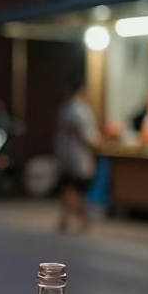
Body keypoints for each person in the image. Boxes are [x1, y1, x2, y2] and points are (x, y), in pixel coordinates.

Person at [55, 78, 100, 234]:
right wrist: (94, 146)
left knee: (70, 187)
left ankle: (66, 219)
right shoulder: (79, 109)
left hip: (68, 152)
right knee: (74, 188)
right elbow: (80, 133)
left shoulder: (67, 108)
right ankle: (81, 218)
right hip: (77, 154)